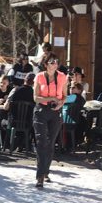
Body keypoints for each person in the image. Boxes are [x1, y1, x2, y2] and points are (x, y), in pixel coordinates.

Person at [32, 55, 67, 188]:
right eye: (52, 62)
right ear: (46, 64)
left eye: (57, 62)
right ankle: (40, 176)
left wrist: (60, 104)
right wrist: (51, 97)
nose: (55, 64)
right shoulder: (39, 76)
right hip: (41, 111)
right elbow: (35, 97)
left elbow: (64, 95)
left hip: (55, 112)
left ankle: (46, 171)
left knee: (51, 142)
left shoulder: (62, 77)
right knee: (41, 142)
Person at [61, 82, 88, 149]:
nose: (70, 89)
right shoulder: (82, 99)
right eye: (70, 87)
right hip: (75, 122)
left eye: (73, 88)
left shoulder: (73, 96)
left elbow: (61, 101)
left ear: (79, 90)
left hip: (66, 123)